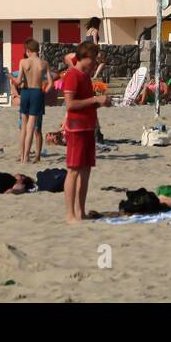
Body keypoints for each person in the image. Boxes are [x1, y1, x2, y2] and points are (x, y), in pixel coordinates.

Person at [63, 41, 111, 221]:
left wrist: (100, 103)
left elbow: (85, 104)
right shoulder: (73, 75)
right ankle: (70, 214)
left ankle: (80, 212)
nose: (95, 64)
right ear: (85, 58)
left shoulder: (84, 76)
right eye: (93, 60)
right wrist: (94, 100)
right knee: (74, 170)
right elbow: (70, 105)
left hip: (87, 127)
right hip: (76, 129)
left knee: (85, 171)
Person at [12, 39, 49, 164]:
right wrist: (45, 91)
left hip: (26, 92)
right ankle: (27, 157)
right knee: (31, 127)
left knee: (23, 127)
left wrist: (10, 77)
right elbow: (51, 83)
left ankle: (22, 155)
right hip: (37, 92)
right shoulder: (43, 63)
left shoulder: (23, 61)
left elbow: (18, 81)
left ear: (27, 50)